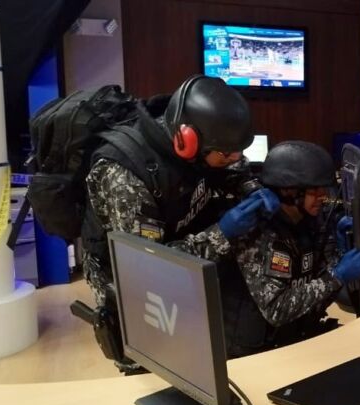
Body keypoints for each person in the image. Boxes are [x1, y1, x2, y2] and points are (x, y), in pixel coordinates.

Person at [81, 74, 278, 372]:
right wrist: (223, 233)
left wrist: (254, 191)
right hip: (134, 287)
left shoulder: (211, 142)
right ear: (187, 141)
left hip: (182, 256)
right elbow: (150, 269)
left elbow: (234, 170)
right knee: (155, 370)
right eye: (226, 154)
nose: (235, 158)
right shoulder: (123, 177)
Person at [174, 141, 360, 358]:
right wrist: (338, 275)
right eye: (314, 190)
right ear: (289, 191)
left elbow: (314, 296)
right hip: (250, 359)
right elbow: (278, 309)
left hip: (293, 345)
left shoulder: (309, 223)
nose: (322, 195)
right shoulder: (258, 232)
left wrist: (338, 257)